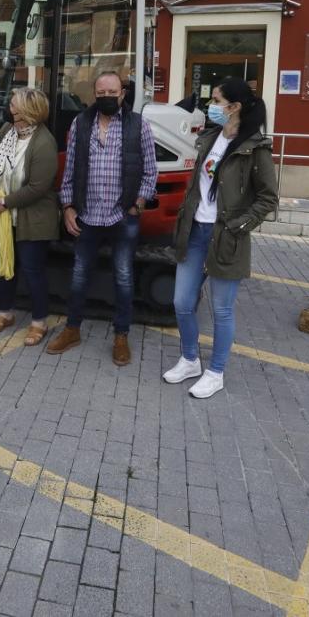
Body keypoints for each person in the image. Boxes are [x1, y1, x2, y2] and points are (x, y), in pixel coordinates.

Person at [163, 77, 277, 398]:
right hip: (195, 232)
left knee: (222, 310)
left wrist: (238, 226)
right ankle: (189, 359)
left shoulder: (255, 147)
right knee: (182, 302)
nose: (210, 106)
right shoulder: (211, 137)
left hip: (226, 235)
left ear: (234, 107)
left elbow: (268, 197)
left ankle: (216, 372)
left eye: (215, 100)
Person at [52, 71, 157, 365]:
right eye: (101, 93)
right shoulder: (80, 123)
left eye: (112, 92)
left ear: (122, 93)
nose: (107, 97)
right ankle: (72, 329)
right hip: (87, 215)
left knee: (123, 277)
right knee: (79, 275)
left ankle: (121, 335)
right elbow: (70, 170)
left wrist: (137, 204)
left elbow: (150, 171)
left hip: (123, 216)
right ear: (94, 94)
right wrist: (68, 207)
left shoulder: (139, 126)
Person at [0, 87, 59, 346]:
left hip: (33, 218)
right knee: (5, 268)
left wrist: (5, 201)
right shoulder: (6, 131)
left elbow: (39, 187)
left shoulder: (44, 142)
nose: (11, 109)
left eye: (15, 106)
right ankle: (5, 314)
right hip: (4, 217)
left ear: (31, 111)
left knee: (32, 270)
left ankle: (39, 322)